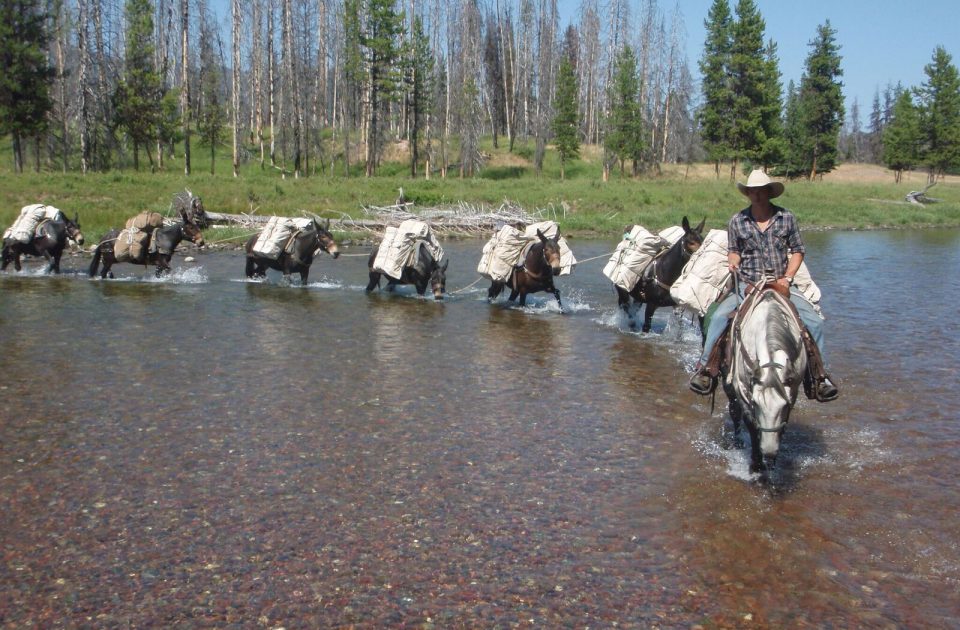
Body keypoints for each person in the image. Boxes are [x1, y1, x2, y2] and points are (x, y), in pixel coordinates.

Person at [689, 169, 838, 401]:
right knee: (718, 318)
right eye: (752, 191)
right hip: (747, 284)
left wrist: (787, 278)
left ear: (769, 192)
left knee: (814, 322)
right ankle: (707, 369)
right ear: (747, 193)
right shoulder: (737, 221)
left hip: (781, 283)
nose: (757, 195)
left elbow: (798, 251)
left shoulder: (786, 218)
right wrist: (733, 261)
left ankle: (820, 376)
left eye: (761, 191)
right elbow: (734, 250)